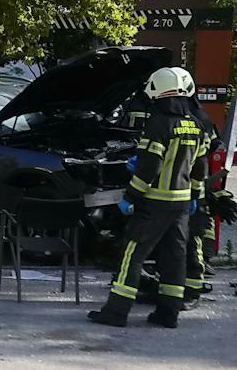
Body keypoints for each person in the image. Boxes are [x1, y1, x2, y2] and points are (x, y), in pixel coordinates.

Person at [90, 67, 211, 329]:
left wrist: (130, 196)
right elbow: (200, 168)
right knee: (174, 257)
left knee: (132, 255)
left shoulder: (158, 123)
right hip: (180, 205)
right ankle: (168, 314)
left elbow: (149, 168)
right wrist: (194, 198)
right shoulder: (197, 124)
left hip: (154, 203)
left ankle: (116, 312)